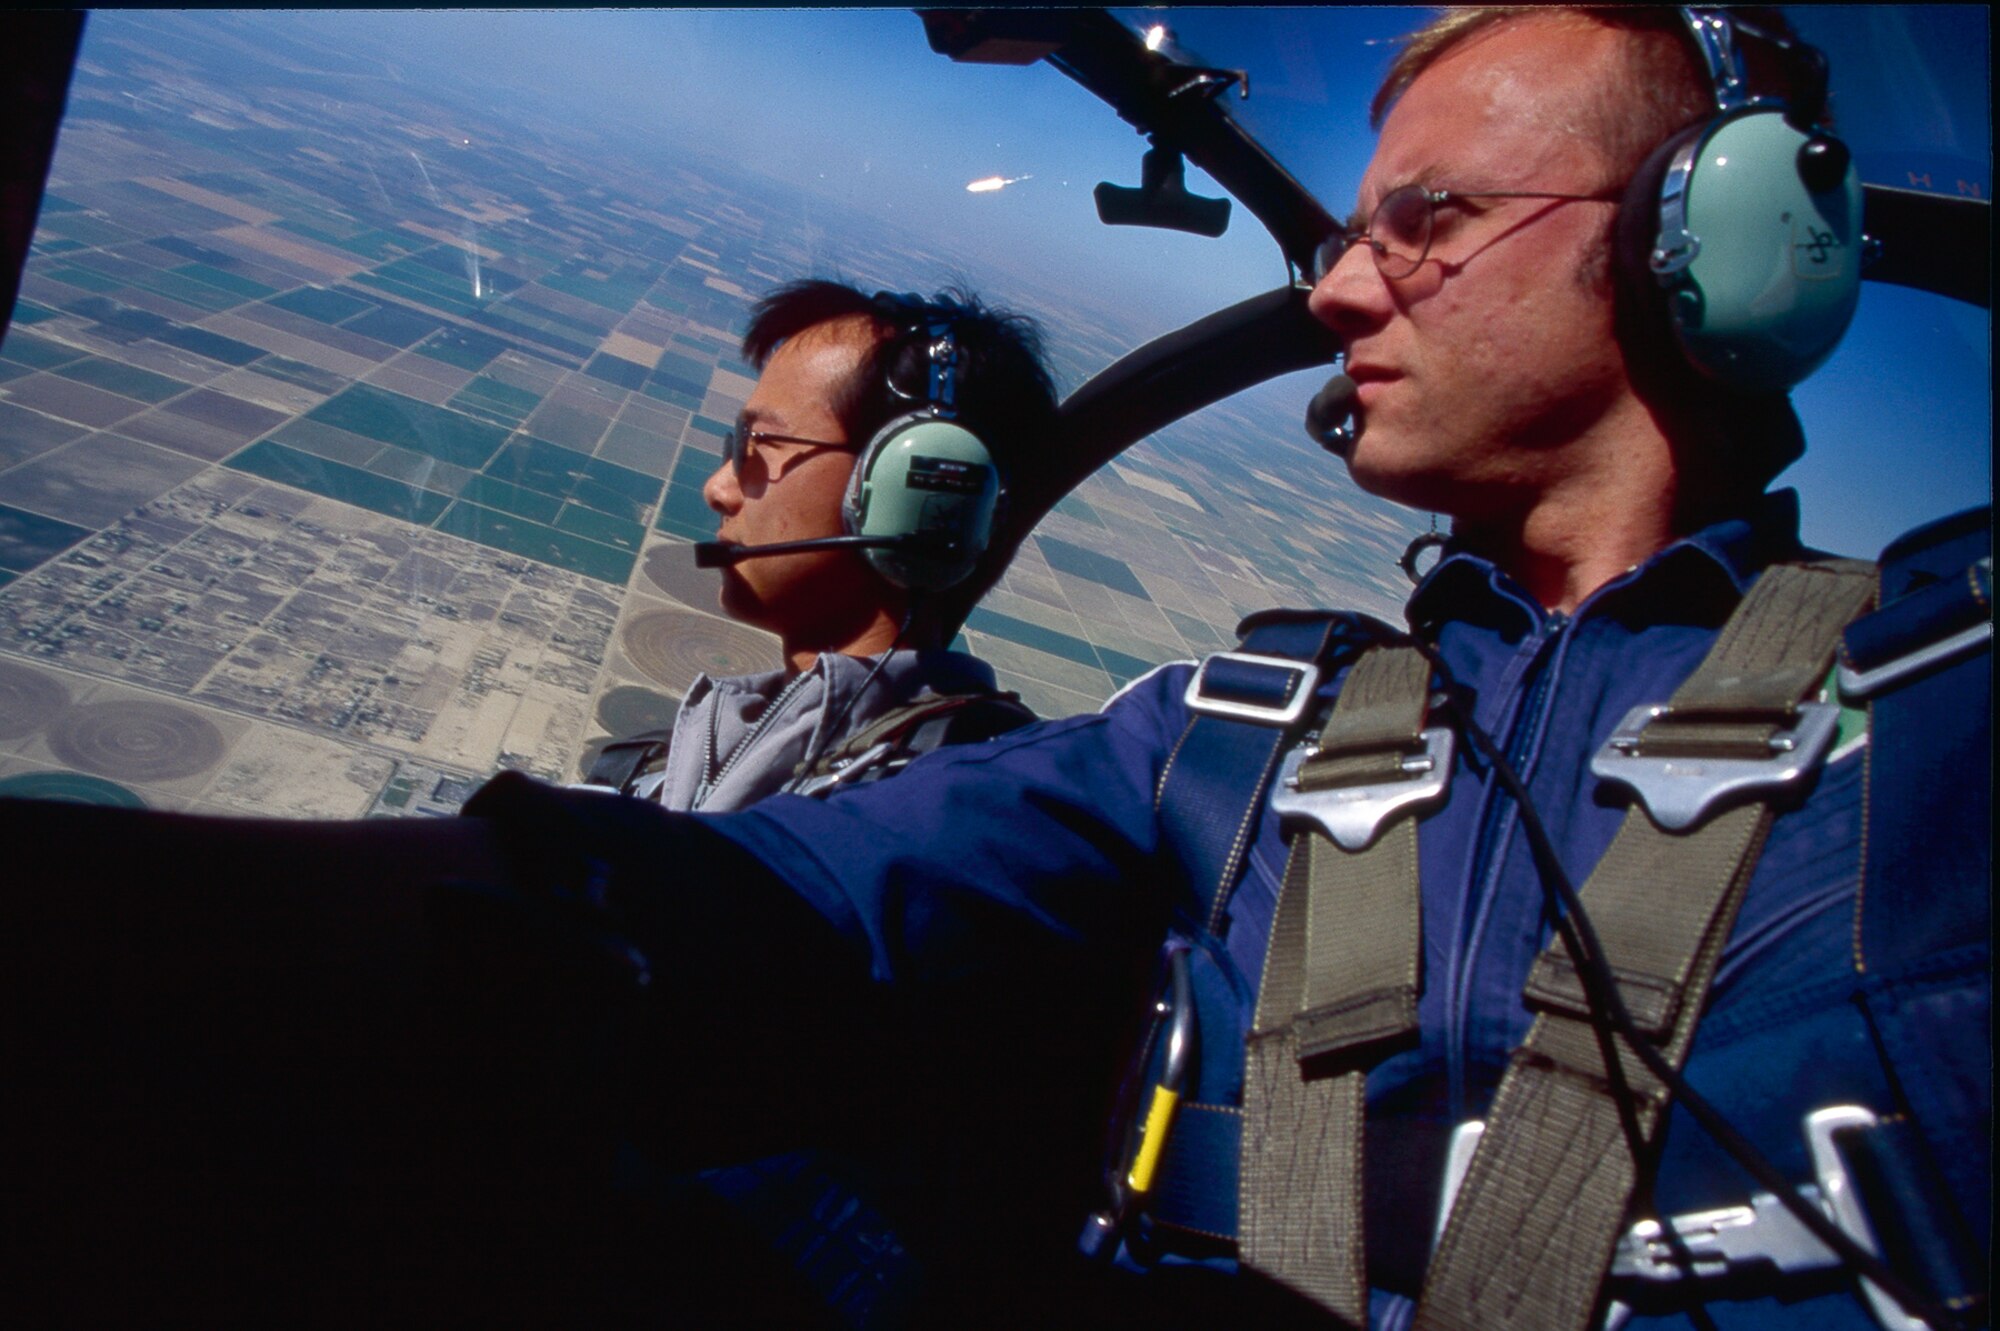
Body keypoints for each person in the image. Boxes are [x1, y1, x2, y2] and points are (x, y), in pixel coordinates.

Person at [7, 9, 1988, 1331]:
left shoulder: (1951, 708)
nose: (1330, 284)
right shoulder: (1211, 739)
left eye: (1430, 221)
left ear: (1703, 244)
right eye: (1352, 226)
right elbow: (702, 891)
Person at [584, 279, 1048, 814]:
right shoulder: (666, 770)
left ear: (912, 486)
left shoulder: (941, 811)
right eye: (735, 446)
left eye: (762, 445)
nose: (718, 488)